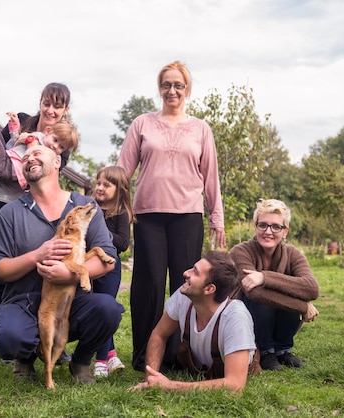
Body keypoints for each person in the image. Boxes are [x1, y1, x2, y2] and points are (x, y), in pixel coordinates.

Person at [117, 60, 226, 372]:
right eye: (166, 84)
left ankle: (178, 355)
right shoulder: (142, 124)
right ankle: (144, 355)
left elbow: (211, 177)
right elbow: (123, 172)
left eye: (178, 85)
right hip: (148, 215)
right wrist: (112, 211)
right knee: (148, 285)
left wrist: (216, 216)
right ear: (159, 88)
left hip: (188, 216)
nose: (172, 90)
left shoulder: (201, 129)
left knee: (186, 285)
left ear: (187, 90)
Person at [0, 144, 124, 383]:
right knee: (8, 337)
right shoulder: (10, 213)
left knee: (108, 310)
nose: (30, 158)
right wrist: (36, 255)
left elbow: (108, 258)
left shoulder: (84, 206)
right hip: (23, 300)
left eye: (37, 153)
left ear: (57, 162)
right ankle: (25, 359)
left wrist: (70, 275)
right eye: (25, 157)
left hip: (71, 301)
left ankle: (80, 362)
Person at [0, 83, 73, 322]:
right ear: (40, 103)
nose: (50, 110)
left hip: (23, 210)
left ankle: (28, 325)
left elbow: (43, 179)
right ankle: (1, 327)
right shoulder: (23, 122)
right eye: (47, 104)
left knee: (26, 269)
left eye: (57, 107)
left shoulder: (60, 144)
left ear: (65, 110)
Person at [130, 251, 256, 392]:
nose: (186, 273)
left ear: (209, 289)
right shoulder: (184, 296)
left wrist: (170, 386)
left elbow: (235, 385)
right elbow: (159, 335)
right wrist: (151, 377)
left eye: (195, 272)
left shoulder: (235, 317)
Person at [229, 199, 320, 371]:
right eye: (262, 225)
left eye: (276, 227)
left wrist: (264, 277)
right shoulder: (240, 252)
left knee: (283, 290)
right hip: (245, 317)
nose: (268, 232)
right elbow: (254, 293)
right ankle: (264, 351)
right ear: (255, 226)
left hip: (276, 316)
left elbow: (311, 288)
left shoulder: (293, 253)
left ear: (285, 231)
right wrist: (303, 306)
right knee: (262, 296)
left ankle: (282, 349)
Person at [90, 166, 135, 377]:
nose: (100, 188)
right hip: (90, 266)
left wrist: (100, 230)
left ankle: (100, 361)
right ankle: (111, 353)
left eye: (106, 185)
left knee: (106, 307)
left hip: (110, 268)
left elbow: (123, 243)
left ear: (119, 189)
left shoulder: (121, 213)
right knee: (97, 310)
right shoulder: (88, 207)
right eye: (98, 183)